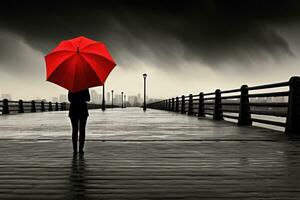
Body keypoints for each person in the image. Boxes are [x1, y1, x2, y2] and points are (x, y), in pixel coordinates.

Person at [68, 89, 90, 155]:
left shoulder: (71, 87)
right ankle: (81, 149)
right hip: (83, 110)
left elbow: (69, 99)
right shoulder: (85, 87)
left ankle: (75, 149)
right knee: (82, 130)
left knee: (74, 130)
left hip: (73, 110)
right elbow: (88, 99)